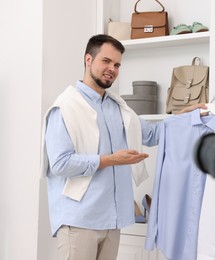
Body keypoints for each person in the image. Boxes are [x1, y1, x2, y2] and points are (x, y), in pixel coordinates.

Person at [42, 34, 206, 260]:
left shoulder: (118, 107)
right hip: (78, 221)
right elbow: (60, 164)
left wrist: (182, 118)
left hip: (112, 221)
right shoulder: (65, 108)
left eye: (117, 64)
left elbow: (152, 133)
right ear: (88, 59)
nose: (112, 69)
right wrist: (110, 159)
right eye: (106, 61)